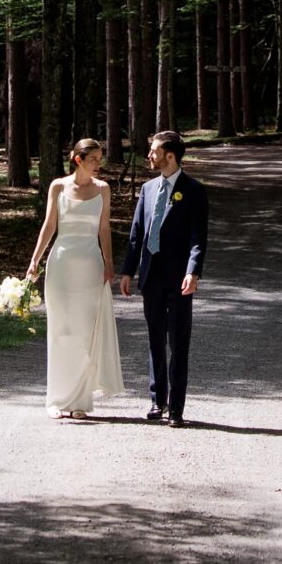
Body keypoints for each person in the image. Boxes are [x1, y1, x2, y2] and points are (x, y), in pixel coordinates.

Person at [24, 137, 124, 420]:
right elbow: (49, 225)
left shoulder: (103, 189)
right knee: (60, 331)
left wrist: (108, 262)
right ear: (78, 160)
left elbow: (104, 229)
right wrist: (35, 260)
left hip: (90, 265)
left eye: (100, 159)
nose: (99, 164)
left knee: (83, 333)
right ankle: (56, 400)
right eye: (94, 159)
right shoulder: (58, 186)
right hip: (61, 264)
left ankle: (80, 401)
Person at [119, 129, 206, 426]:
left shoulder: (193, 190)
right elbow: (136, 235)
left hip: (179, 279)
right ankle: (158, 401)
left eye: (154, 152)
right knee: (155, 339)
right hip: (151, 277)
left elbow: (198, 237)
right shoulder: (147, 189)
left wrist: (193, 271)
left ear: (170, 156)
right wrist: (128, 271)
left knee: (178, 343)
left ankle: (177, 409)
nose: (149, 156)